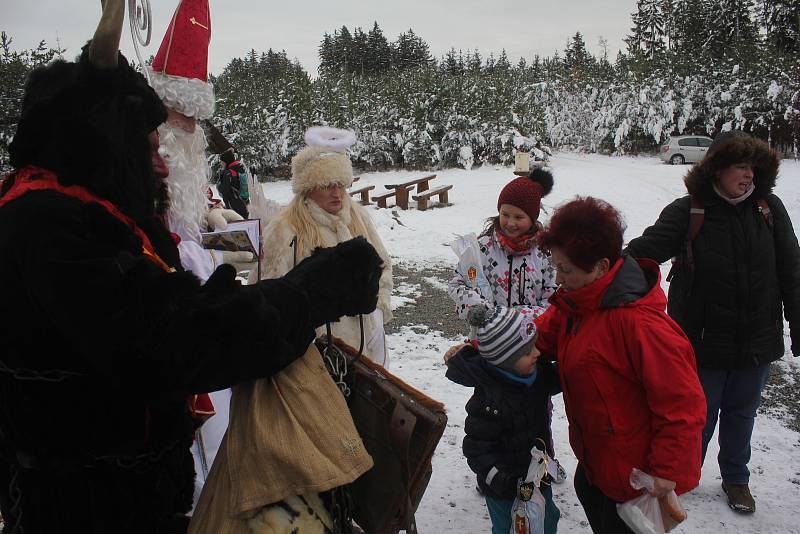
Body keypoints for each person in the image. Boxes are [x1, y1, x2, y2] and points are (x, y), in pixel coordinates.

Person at [0, 2, 383, 533]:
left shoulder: (91, 210)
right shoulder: (47, 225)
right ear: (102, 142)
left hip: (118, 494)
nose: (159, 161)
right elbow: (171, 339)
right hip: (83, 506)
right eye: (148, 145)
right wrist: (309, 291)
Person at [625, 130, 800, 514]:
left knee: (742, 414)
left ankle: (736, 479)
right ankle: (680, 477)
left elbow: (792, 270)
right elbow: (641, 255)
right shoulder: (689, 211)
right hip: (699, 345)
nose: (748, 174)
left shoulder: (769, 209)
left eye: (752, 166)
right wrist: (598, 269)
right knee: (694, 419)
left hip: (757, 340)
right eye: (739, 166)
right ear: (718, 169)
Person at [534, 196, 706, 534]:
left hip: (633, 482)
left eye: (565, 269)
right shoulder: (579, 303)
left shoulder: (642, 326)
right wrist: (486, 347)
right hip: (597, 465)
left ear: (600, 266)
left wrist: (665, 471)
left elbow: (682, 404)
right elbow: (538, 337)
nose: (557, 278)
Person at [262, 126, 393, 366]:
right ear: (308, 187)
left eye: (341, 184)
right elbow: (271, 292)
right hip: (314, 350)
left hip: (366, 342)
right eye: (327, 185)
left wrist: (379, 310)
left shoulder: (358, 218)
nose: (337, 193)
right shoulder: (286, 229)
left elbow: (382, 266)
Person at [445, 304, 561, 534]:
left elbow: (564, 376)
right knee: (511, 528)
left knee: (547, 520)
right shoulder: (490, 401)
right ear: (505, 361)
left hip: (538, 478)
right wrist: (501, 481)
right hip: (505, 490)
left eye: (535, 346)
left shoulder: (536, 376)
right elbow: (476, 449)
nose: (537, 353)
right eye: (528, 352)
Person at [447, 168, 557, 321]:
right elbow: (459, 283)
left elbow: (553, 301)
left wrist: (511, 318)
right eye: (505, 214)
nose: (511, 223)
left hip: (531, 338)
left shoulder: (545, 254)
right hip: (486, 337)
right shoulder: (481, 248)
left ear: (532, 218)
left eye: (519, 217)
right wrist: (477, 306)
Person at [217, 148, 249, 219]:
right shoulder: (240, 168)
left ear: (226, 161)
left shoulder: (228, 173)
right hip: (245, 203)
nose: (220, 163)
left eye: (222, 161)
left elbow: (225, 192)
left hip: (234, 207)